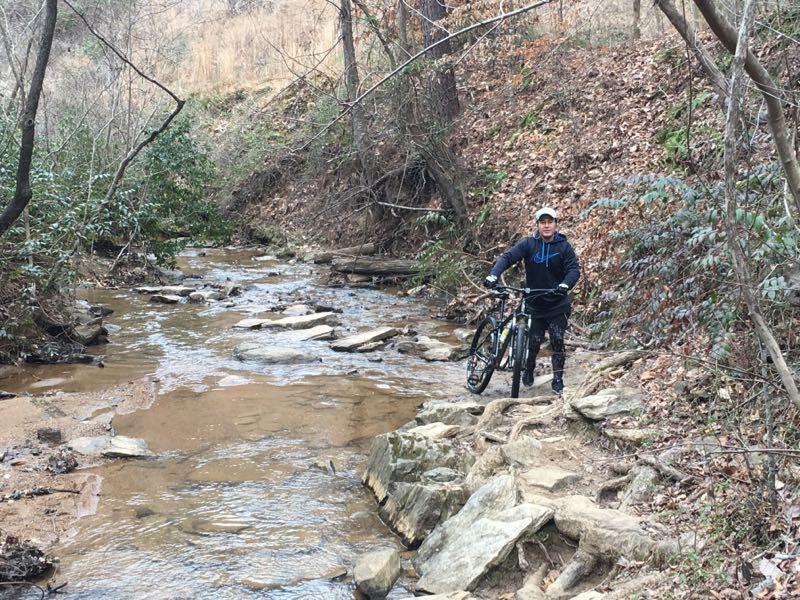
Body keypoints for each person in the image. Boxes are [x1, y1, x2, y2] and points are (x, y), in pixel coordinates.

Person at [483, 207, 580, 395]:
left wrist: (565, 285)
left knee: (557, 341)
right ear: (538, 225)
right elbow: (508, 257)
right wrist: (494, 275)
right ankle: (528, 369)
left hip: (557, 303)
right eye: (542, 222)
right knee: (533, 342)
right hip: (534, 302)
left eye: (550, 222)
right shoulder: (529, 244)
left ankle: (558, 380)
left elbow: (574, 269)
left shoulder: (564, 246)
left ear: (555, 224)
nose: (546, 225)